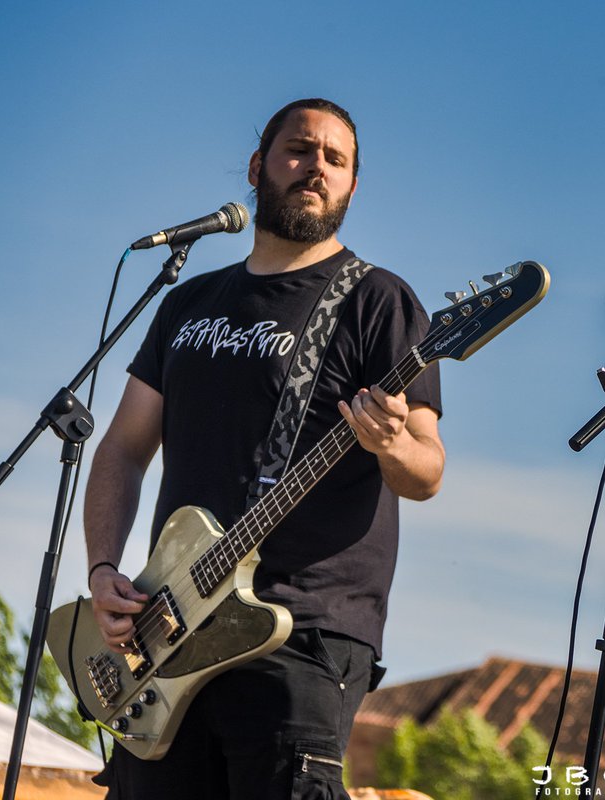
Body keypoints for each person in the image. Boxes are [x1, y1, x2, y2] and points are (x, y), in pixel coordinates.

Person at [84, 98, 445, 798]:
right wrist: (103, 570)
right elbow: (122, 450)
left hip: (300, 636)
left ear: (352, 187)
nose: (316, 168)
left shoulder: (377, 301)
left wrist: (391, 442)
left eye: (335, 160)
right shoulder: (187, 303)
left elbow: (427, 471)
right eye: (299, 150)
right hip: (168, 632)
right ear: (258, 166)